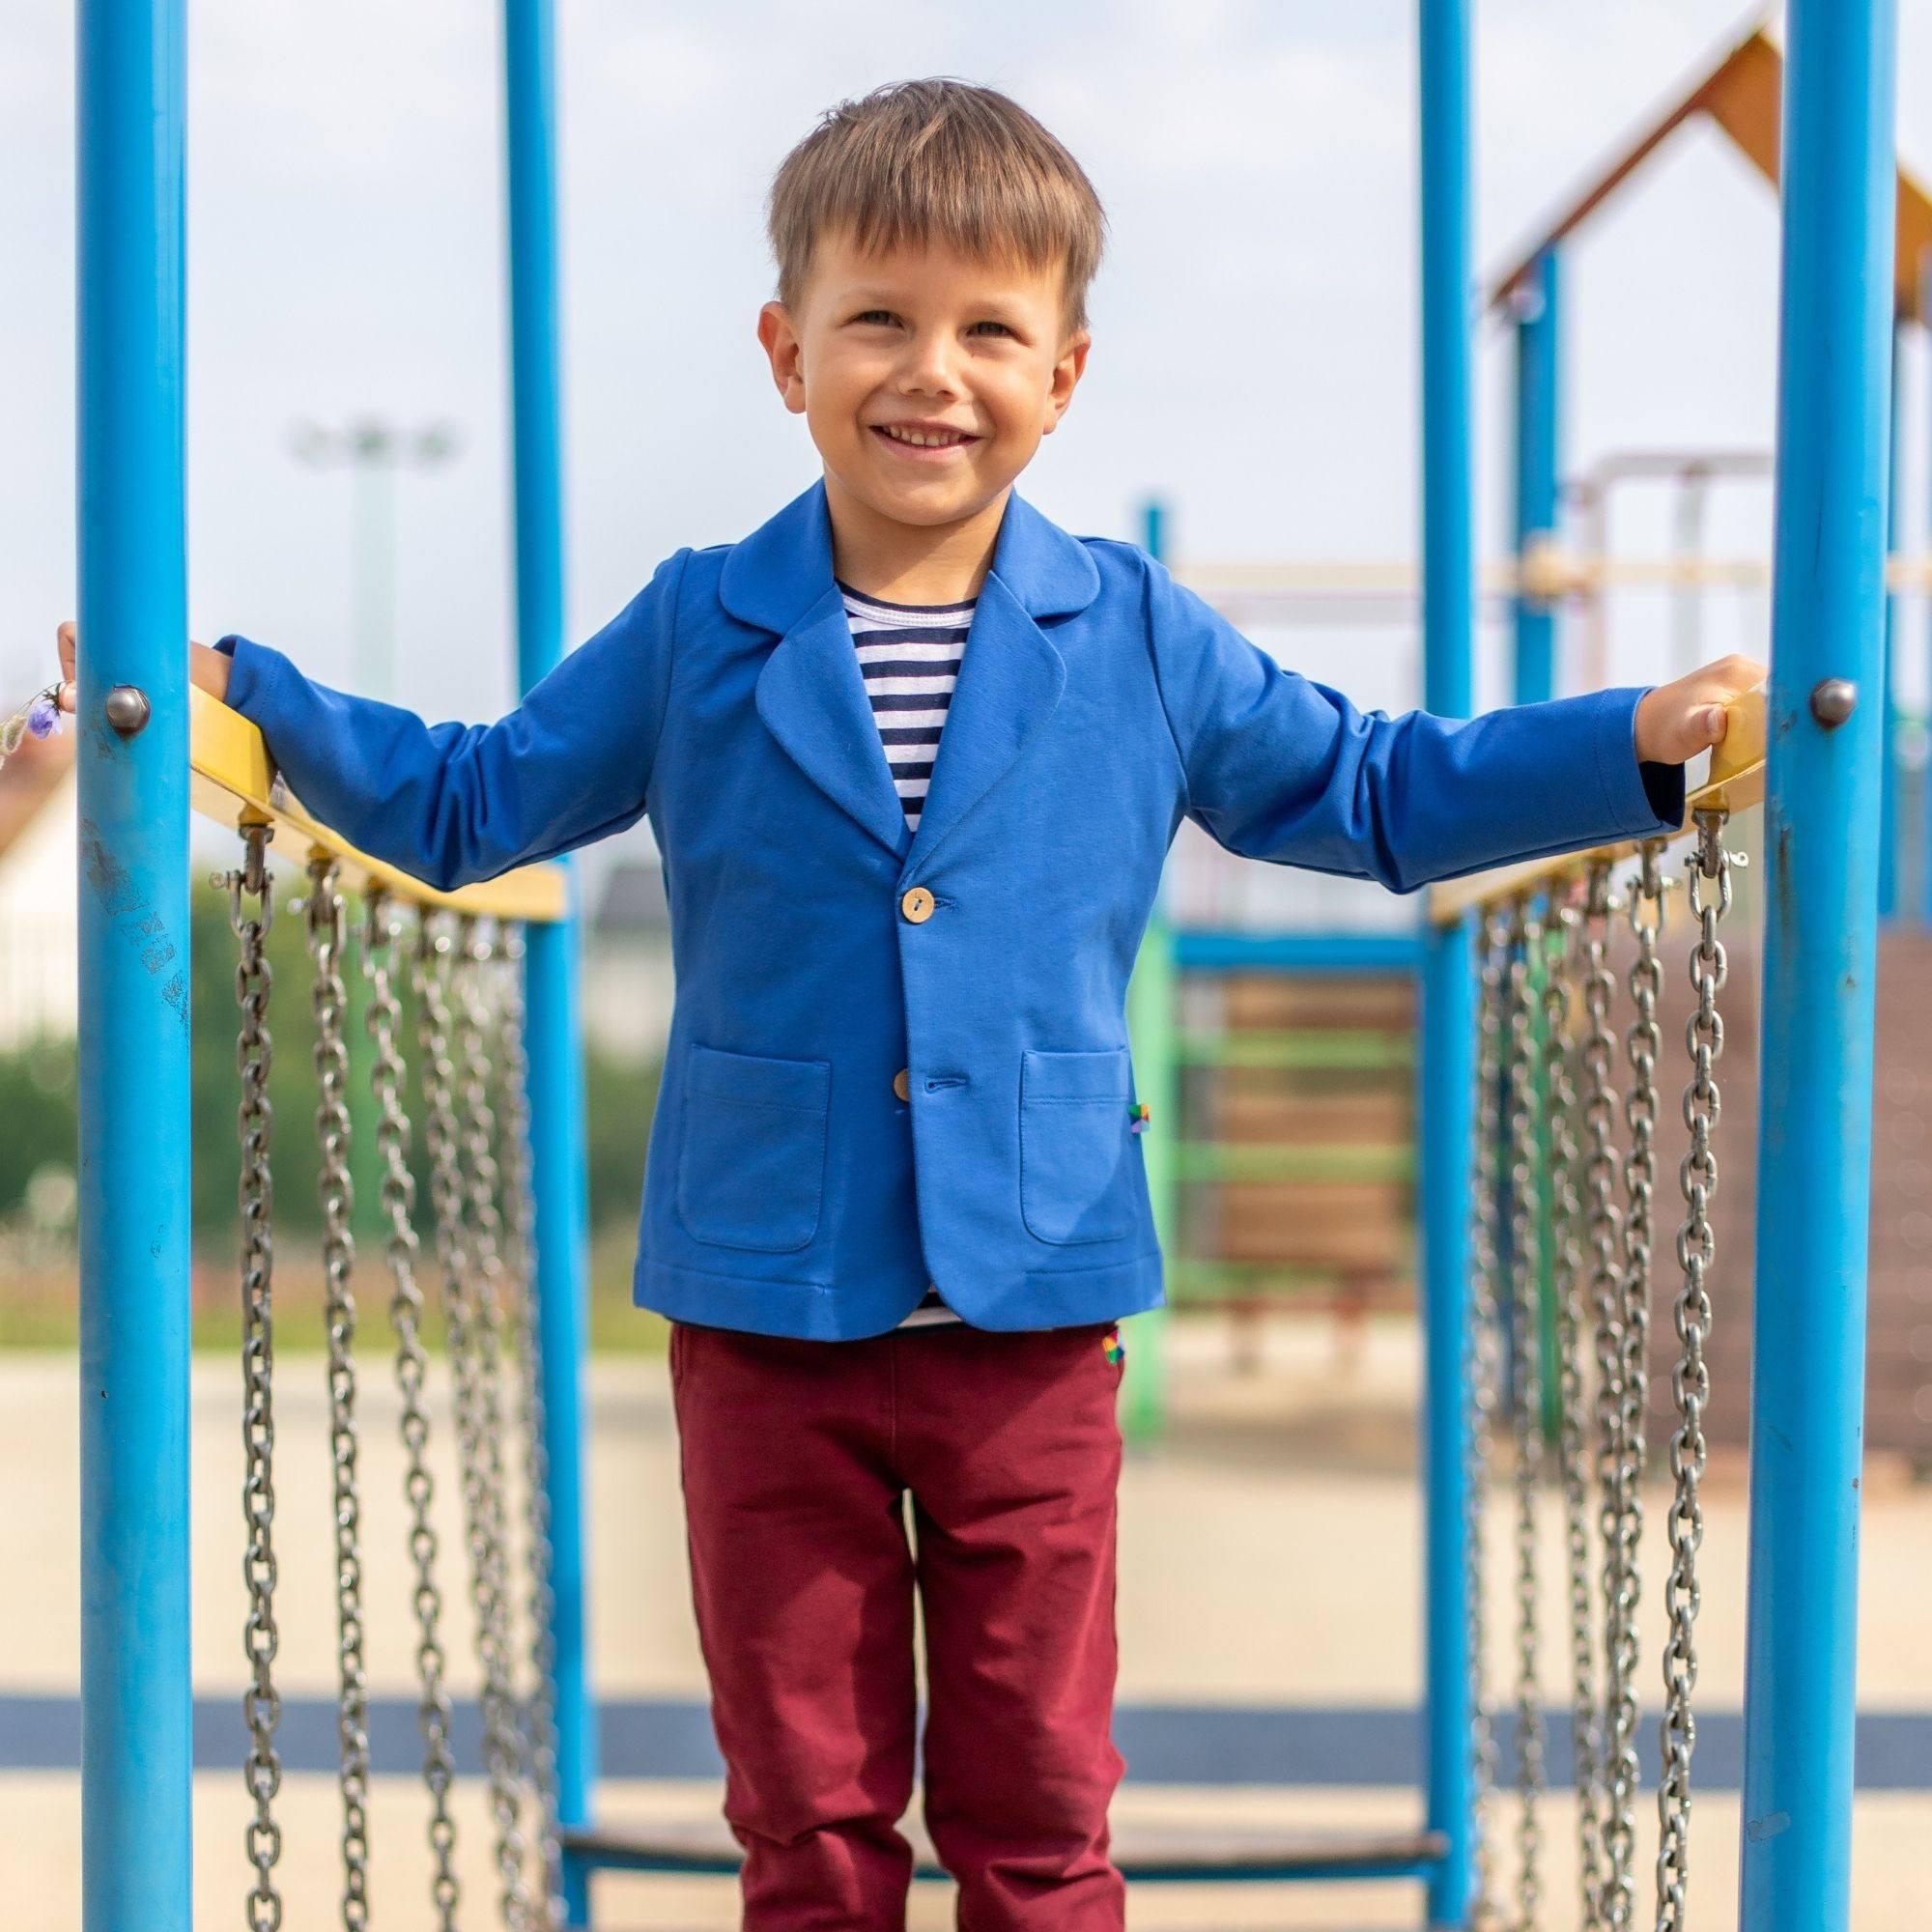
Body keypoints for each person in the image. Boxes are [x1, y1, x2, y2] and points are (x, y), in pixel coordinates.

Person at [57, 77, 1761, 1932]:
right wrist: (257, 692)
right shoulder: (705, 624)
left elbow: (1375, 790)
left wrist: (1631, 750)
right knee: (808, 1816)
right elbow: (476, 800)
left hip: (1030, 1315)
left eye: (987, 330)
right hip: (767, 1314)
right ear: (788, 351)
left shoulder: (1134, 632)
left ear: (1067, 372)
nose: (928, 369)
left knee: (1038, 1810)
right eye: (877, 318)